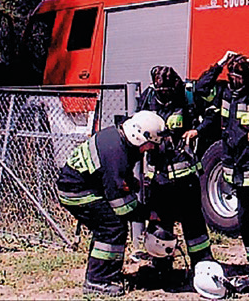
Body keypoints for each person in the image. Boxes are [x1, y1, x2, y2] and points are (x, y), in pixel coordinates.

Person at [188, 51, 249, 298]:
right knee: (247, 226)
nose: (235, 80)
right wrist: (218, 63)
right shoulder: (225, 92)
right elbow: (201, 88)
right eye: (231, 75)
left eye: (239, 76)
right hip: (238, 174)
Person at [56, 111, 167, 297]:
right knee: (112, 226)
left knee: (108, 226)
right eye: (151, 144)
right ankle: (97, 281)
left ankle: (107, 273)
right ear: (140, 137)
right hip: (76, 193)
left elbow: (113, 175)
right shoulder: (116, 152)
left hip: (82, 186)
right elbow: (121, 206)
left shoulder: (119, 139)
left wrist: (130, 183)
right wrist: (147, 214)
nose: (151, 149)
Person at [136, 66, 213, 286]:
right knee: (161, 224)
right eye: (161, 91)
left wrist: (197, 130)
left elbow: (213, 114)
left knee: (194, 224)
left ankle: (202, 265)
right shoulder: (148, 98)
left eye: (169, 91)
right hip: (158, 179)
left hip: (185, 177)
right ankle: (161, 268)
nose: (165, 96)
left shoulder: (187, 96)